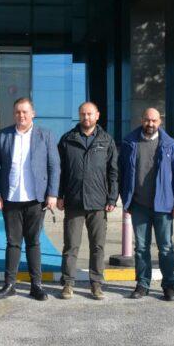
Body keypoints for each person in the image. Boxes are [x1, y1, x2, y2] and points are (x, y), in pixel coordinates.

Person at [0, 97, 60, 301]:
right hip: (11, 199)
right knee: (12, 243)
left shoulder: (45, 135)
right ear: (14, 114)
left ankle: (36, 285)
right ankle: (9, 284)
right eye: (18, 112)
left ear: (33, 114)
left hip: (36, 199)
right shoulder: (4, 135)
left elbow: (54, 166)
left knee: (33, 242)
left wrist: (52, 194)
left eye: (25, 112)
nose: (21, 115)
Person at [118, 108, 174, 301]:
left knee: (165, 248)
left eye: (154, 120)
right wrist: (126, 199)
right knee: (141, 248)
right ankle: (142, 284)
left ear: (160, 121)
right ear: (142, 120)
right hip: (139, 205)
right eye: (147, 120)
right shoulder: (130, 142)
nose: (150, 124)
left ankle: (169, 286)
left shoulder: (170, 145)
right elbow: (121, 173)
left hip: (163, 207)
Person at [56, 101, 118, 300]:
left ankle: (96, 284)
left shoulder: (106, 141)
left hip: (98, 203)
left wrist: (112, 197)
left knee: (97, 246)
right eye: (83, 114)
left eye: (90, 114)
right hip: (73, 201)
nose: (86, 117)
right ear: (79, 115)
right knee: (71, 245)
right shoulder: (67, 139)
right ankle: (68, 284)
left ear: (97, 115)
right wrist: (59, 195)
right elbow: (60, 171)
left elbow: (113, 172)